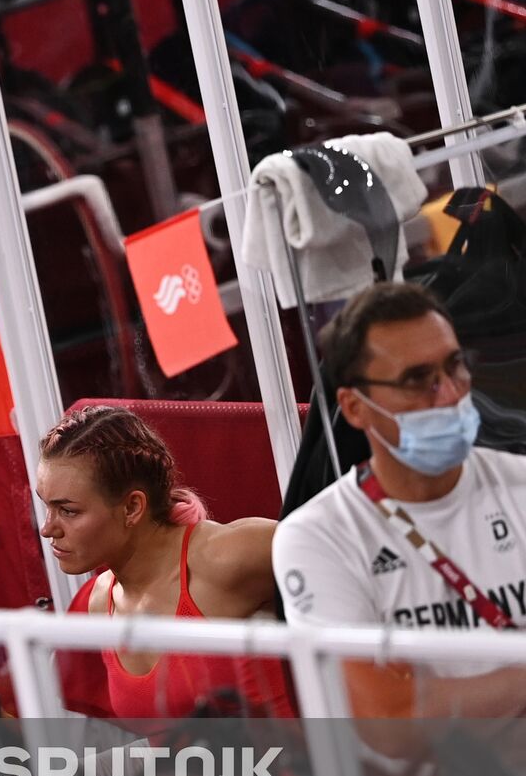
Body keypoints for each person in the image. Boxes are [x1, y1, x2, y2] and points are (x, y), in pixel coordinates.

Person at [274, 281, 526, 722]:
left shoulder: (519, 486)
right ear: (354, 408)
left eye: (455, 367)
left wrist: (434, 697)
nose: (448, 394)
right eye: (417, 380)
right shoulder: (317, 536)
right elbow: (388, 721)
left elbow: (411, 707)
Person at [39, 405, 295, 719]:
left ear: (132, 507)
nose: (47, 528)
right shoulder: (97, 602)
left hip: (288, 766)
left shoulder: (224, 558)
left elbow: (355, 552)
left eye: (68, 511)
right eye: (47, 507)